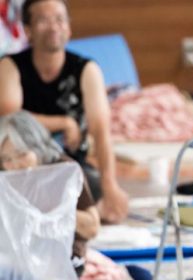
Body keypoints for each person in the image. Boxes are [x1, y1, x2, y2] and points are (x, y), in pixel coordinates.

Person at [0, 0, 128, 223]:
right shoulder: (10, 66)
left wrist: (110, 185)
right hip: (18, 169)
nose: (53, 26)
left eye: (59, 19)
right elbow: (10, 116)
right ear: (28, 30)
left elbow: (101, 131)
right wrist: (64, 122)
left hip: (67, 168)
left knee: (94, 188)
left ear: (68, 27)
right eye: (43, 20)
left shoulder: (86, 69)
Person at [0, 110, 99, 277]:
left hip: (62, 259)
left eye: (22, 154)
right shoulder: (5, 176)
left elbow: (92, 228)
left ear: (38, 147)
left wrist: (50, 212)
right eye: (6, 159)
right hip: (15, 260)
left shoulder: (63, 171)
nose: (15, 165)